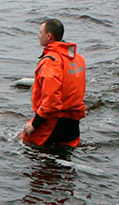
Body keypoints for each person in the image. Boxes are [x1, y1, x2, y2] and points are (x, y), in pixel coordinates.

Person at [21, 18, 86, 148]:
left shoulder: (51, 62)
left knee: (29, 147)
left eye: (40, 32)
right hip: (73, 124)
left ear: (49, 36)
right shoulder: (78, 58)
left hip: (53, 123)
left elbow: (51, 102)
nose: (38, 36)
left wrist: (34, 125)